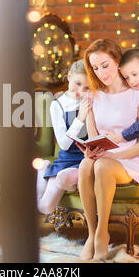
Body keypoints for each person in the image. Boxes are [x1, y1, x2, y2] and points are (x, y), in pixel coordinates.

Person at [77, 39, 139, 261]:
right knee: (85, 164)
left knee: (102, 166)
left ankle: (102, 234)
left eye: (105, 65)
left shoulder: (138, 94)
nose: (100, 72)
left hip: (132, 156)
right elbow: (94, 138)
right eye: (95, 68)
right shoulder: (92, 95)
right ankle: (92, 235)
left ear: (118, 61)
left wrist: (112, 155)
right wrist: (89, 151)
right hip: (104, 156)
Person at [36, 59, 92, 215]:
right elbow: (64, 144)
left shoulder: (91, 99)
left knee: (67, 178)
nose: (80, 90)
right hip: (67, 158)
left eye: (87, 87)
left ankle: (70, 180)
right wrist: (80, 117)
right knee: (45, 208)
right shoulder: (57, 105)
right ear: (69, 77)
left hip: (86, 160)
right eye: (77, 83)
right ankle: (44, 169)